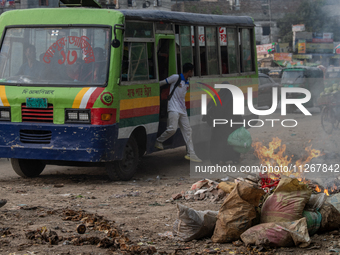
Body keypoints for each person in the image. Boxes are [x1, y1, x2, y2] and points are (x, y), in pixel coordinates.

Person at [155, 63, 202, 163]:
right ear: (189, 71)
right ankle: (159, 141)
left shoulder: (187, 82)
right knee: (172, 129)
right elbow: (161, 83)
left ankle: (191, 154)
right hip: (173, 108)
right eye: (192, 71)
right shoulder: (175, 77)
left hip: (182, 110)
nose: (192, 73)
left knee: (188, 131)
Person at [203, 87, 243, 164]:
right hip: (231, 127)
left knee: (217, 143)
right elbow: (238, 115)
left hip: (218, 127)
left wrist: (210, 121)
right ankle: (235, 158)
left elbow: (209, 108)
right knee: (233, 142)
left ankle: (216, 160)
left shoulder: (217, 97)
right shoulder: (232, 99)